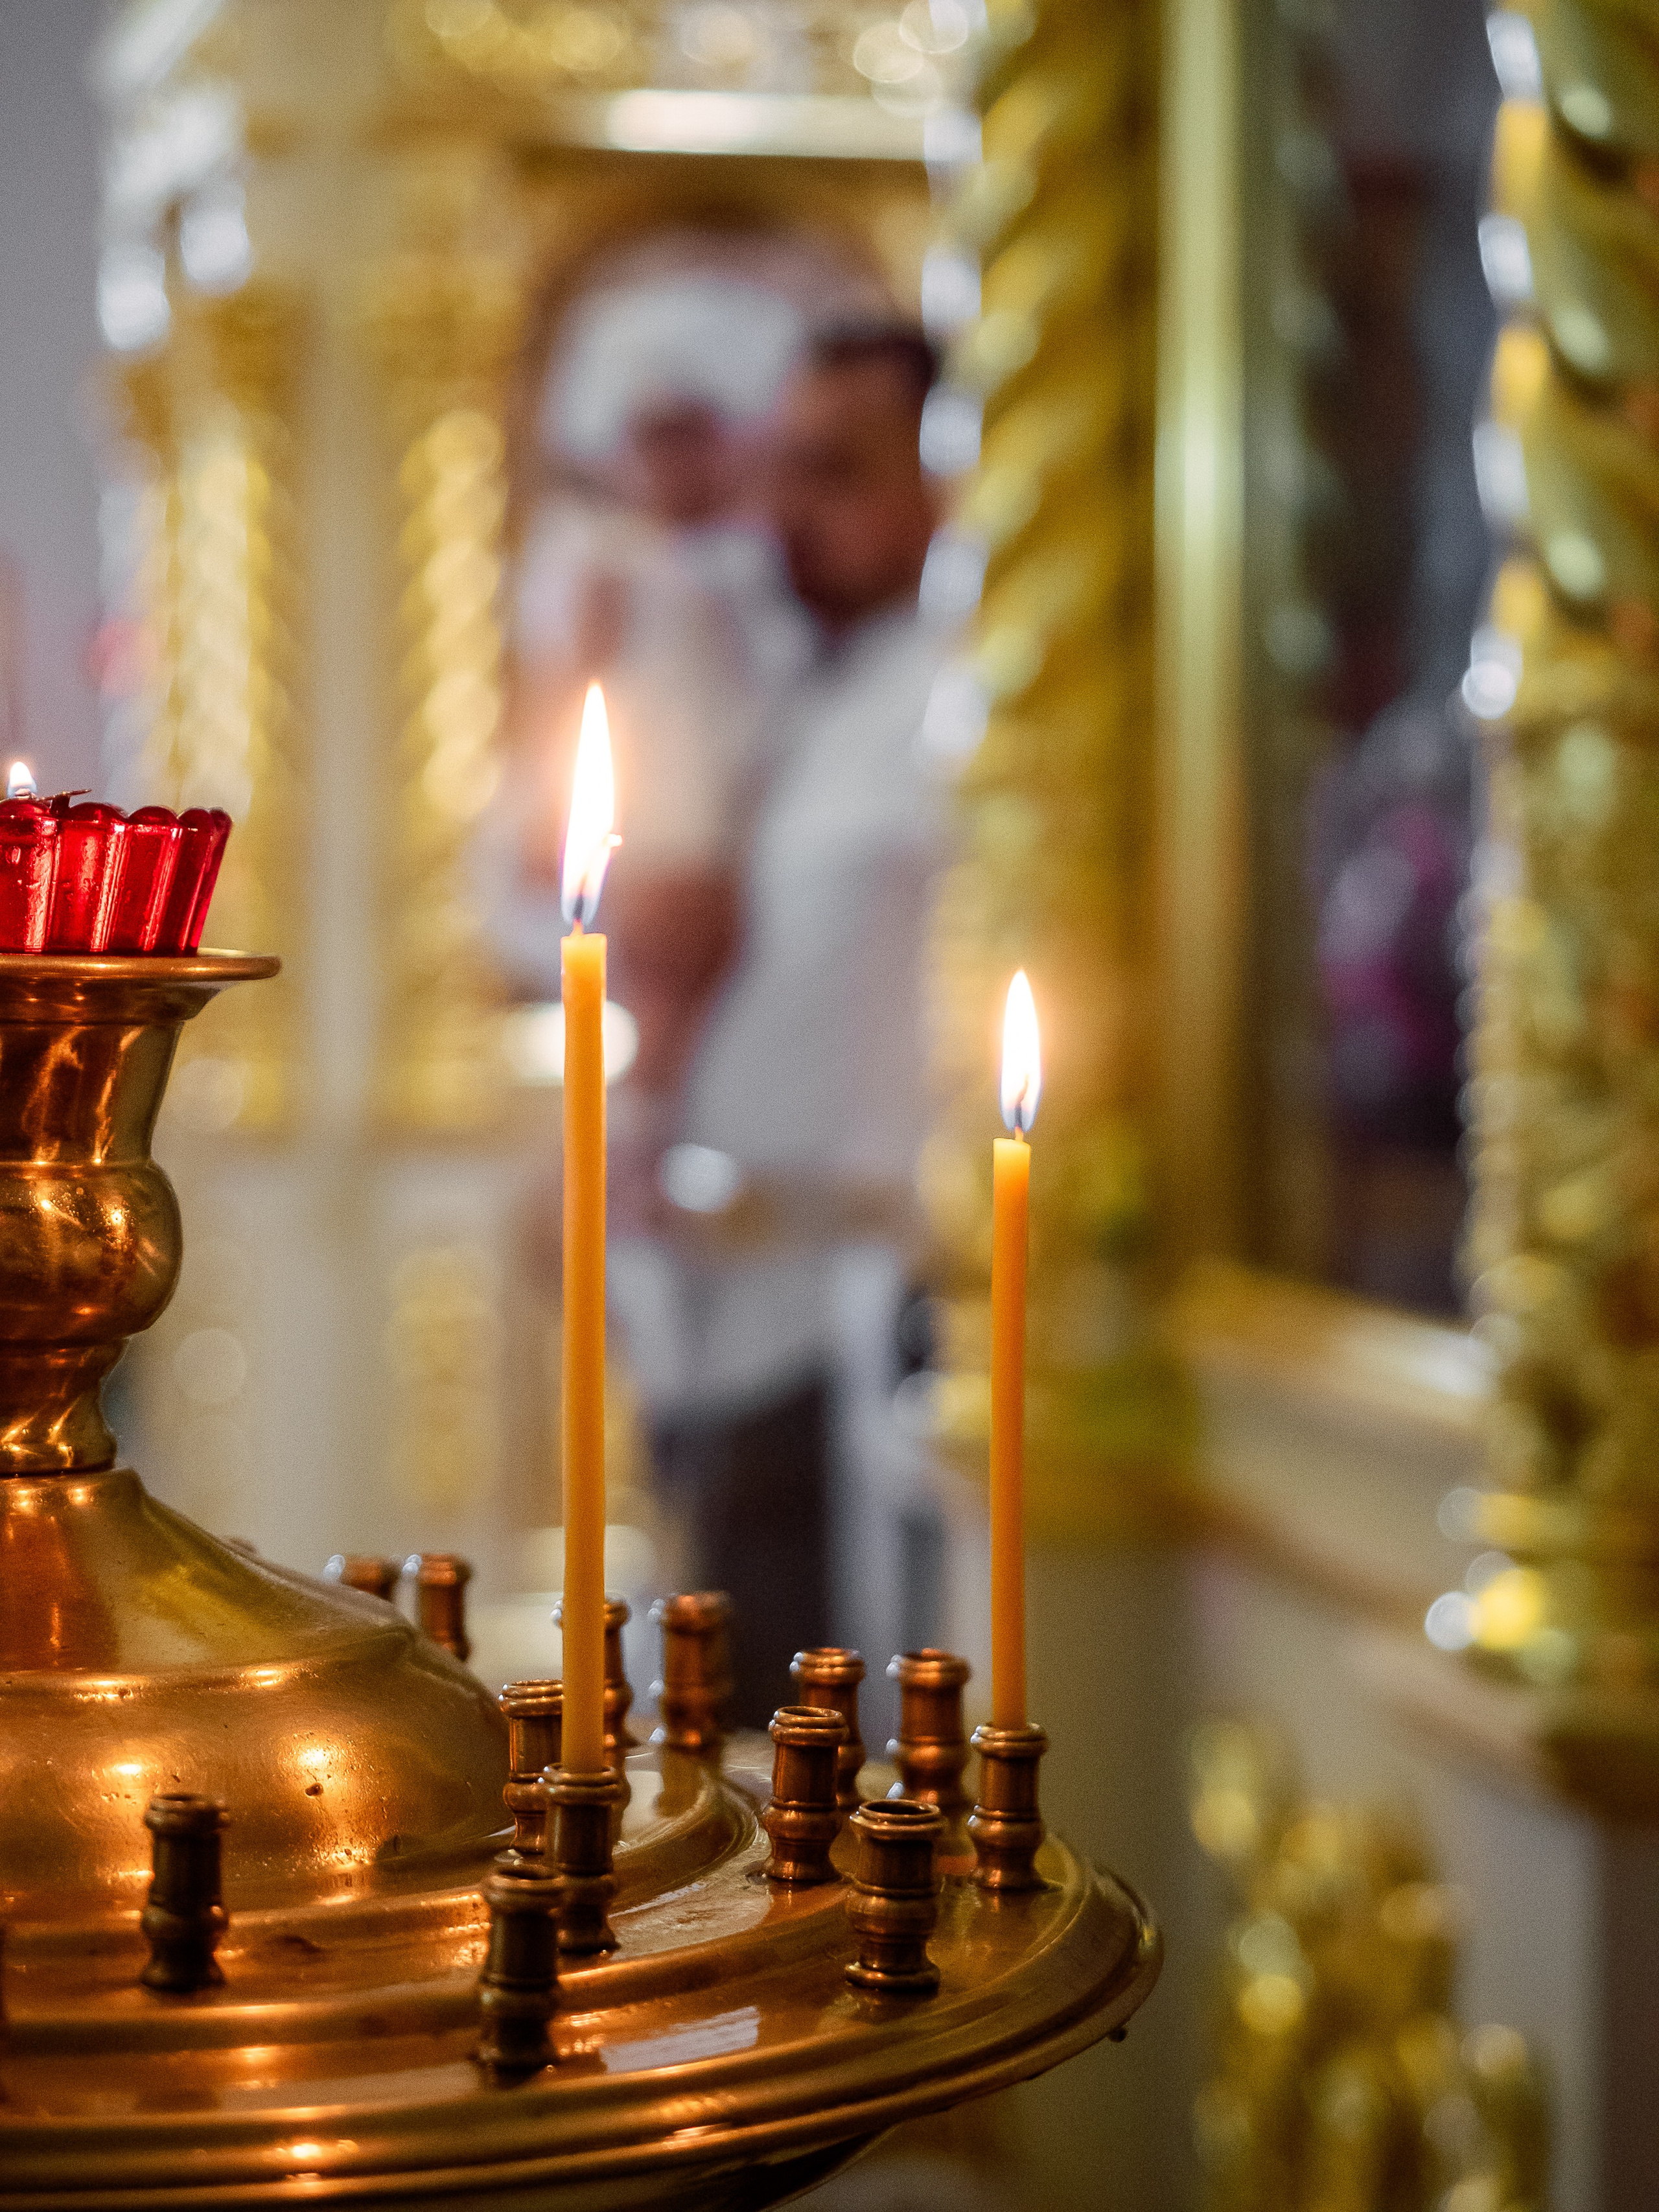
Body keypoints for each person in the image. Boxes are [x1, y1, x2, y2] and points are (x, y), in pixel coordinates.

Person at [614, 325, 949, 1725]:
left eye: (836, 472)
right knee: (712, 1711)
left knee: (808, 1741)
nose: (786, 517)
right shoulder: (803, 691)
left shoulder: (974, 697)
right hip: (721, 1299)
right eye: (780, 472)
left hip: (866, 1304)